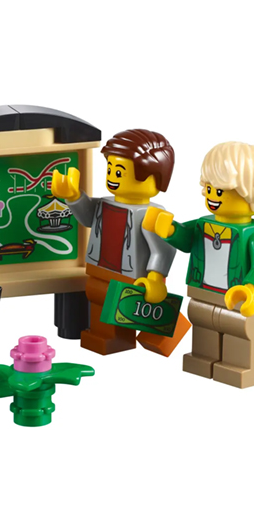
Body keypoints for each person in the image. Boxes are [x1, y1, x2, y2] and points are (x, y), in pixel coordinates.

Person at [143, 141, 254, 388]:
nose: (212, 196)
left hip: (239, 300)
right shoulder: (205, 223)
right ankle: (203, 358)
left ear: (252, 193)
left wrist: (250, 288)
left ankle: (239, 366)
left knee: (239, 330)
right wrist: (170, 230)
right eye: (209, 188)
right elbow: (187, 240)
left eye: (221, 191)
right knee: (204, 324)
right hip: (204, 293)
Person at [52, 129, 189, 356]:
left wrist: (156, 278)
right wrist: (73, 197)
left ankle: (138, 335)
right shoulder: (105, 204)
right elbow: (87, 217)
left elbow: (163, 249)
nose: (113, 177)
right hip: (100, 270)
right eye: (110, 169)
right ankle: (104, 335)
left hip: (132, 278)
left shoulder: (152, 214)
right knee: (98, 297)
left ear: (154, 177)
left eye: (120, 172)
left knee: (129, 307)